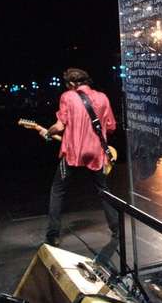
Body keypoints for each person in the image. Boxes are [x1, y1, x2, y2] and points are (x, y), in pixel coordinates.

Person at [40, 68, 118, 248]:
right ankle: (116, 229)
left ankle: (53, 235)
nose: (67, 87)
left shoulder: (68, 96)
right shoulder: (103, 97)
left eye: (67, 84)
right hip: (97, 153)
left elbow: (59, 126)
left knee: (57, 191)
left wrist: (48, 133)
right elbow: (111, 126)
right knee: (103, 190)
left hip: (73, 154)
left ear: (73, 84)